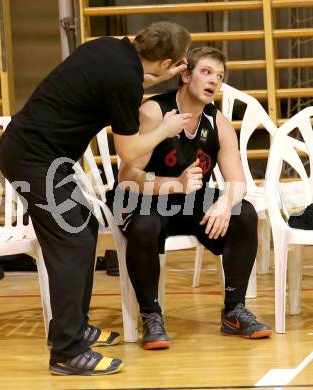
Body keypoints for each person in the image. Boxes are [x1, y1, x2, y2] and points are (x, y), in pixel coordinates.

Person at [0, 21, 192, 375]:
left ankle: (76, 327)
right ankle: (67, 351)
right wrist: (165, 128)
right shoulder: (124, 79)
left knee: (84, 227)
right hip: (33, 159)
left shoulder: (110, 49)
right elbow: (130, 149)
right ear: (165, 63)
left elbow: (122, 83)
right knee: (71, 242)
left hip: (36, 154)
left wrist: (152, 80)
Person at [114, 46, 273, 350]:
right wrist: (175, 184)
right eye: (206, 71)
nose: (214, 80)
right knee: (144, 225)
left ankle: (234, 311)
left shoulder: (219, 123)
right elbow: (128, 178)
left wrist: (225, 203)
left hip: (189, 200)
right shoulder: (154, 112)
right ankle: (151, 315)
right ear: (185, 75)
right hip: (147, 198)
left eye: (220, 76)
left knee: (245, 213)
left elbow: (237, 180)